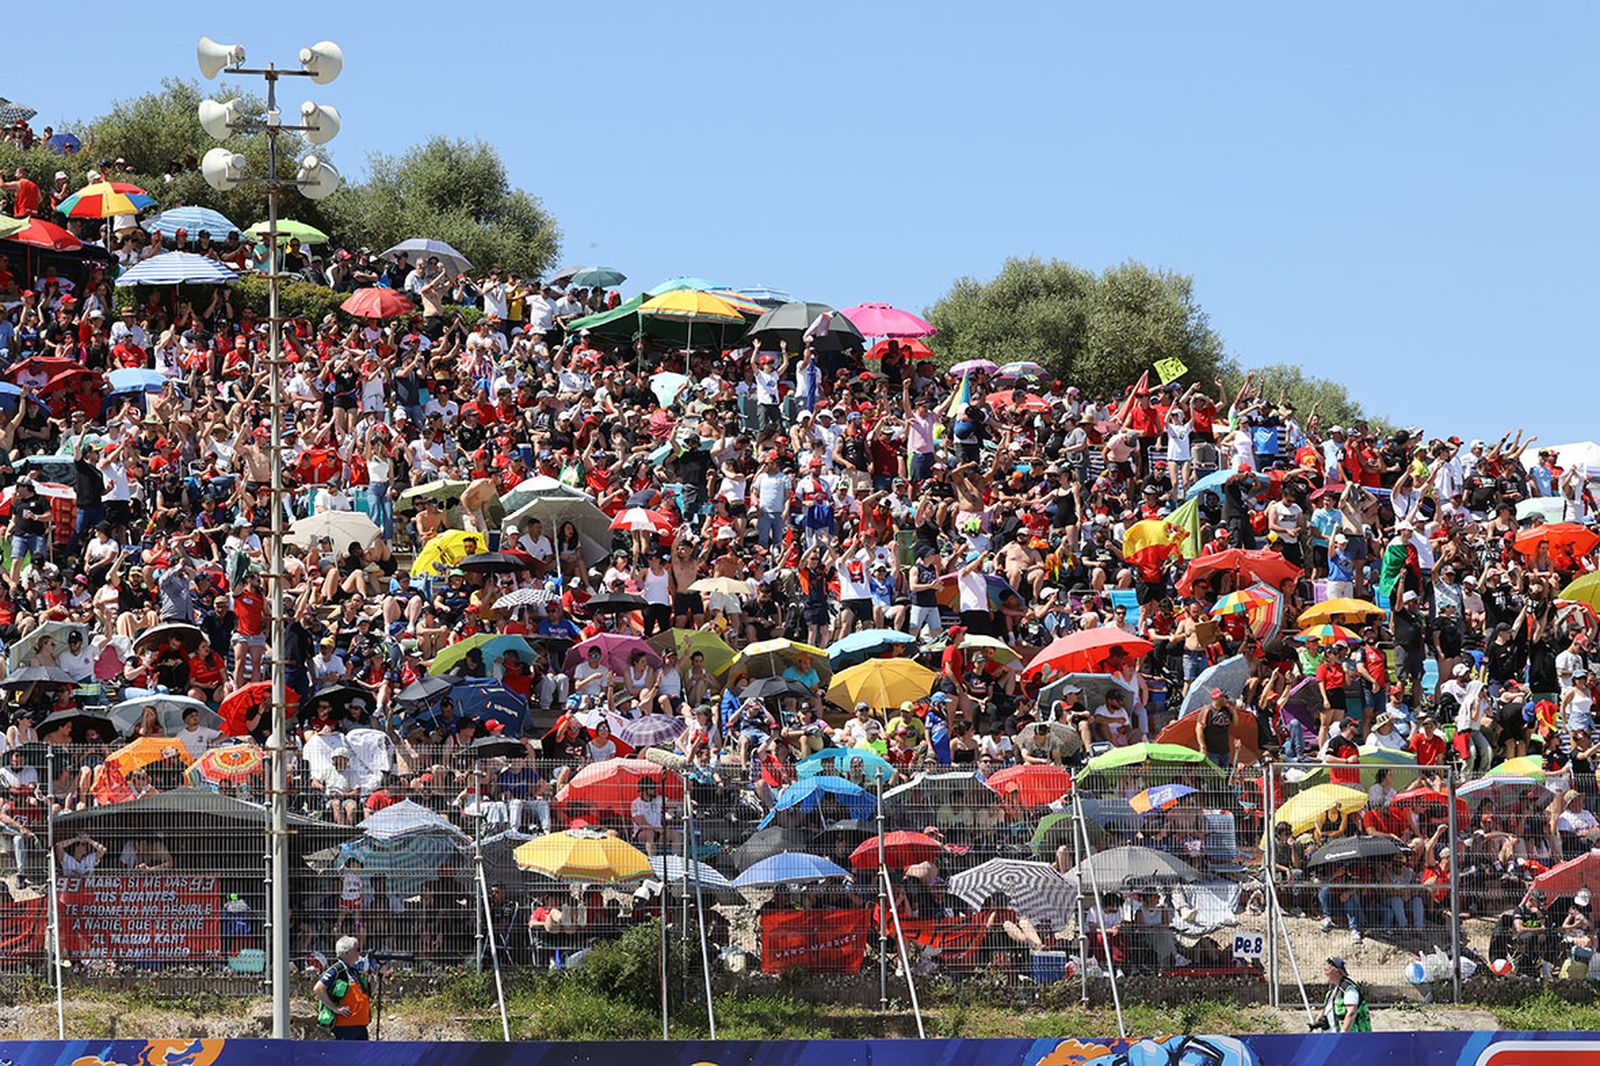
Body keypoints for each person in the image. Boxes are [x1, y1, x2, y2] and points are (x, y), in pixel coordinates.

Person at [314, 935, 372, 1040]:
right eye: (357, 950)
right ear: (347, 952)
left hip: (361, 1025)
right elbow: (318, 988)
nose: (359, 953)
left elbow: (368, 992)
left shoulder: (354, 971)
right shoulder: (337, 970)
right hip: (345, 1026)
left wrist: (377, 974)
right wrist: (335, 1008)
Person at [1311, 956, 1370, 1032]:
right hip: (1333, 1035)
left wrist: (1343, 1033)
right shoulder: (1332, 990)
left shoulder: (1349, 989)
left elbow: (1351, 1012)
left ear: (1338, 971)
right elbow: (1327, 1008)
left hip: (1351, 1036)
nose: (1325, 970)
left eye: (1329, 967)